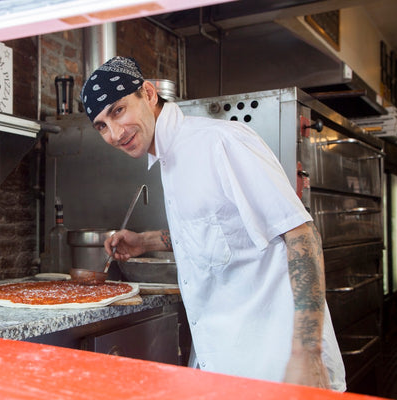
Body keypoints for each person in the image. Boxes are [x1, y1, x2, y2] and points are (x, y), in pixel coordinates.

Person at [80, 56, 346, 391]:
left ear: (148, 94)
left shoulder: (220, 142)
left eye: (118, 110)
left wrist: (307, 355)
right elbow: (220, 229)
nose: (115, 134)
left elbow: (301, 235)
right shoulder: (168, 157)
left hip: (279, 365)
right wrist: (145, 241)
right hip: (224, 362)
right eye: (102, 125)